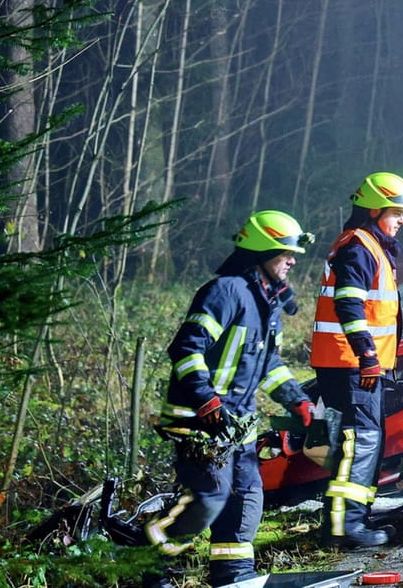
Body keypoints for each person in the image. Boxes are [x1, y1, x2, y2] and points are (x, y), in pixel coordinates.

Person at [146, 211, 314, 587]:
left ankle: (233, 574)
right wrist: (206, 400)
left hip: (236, 424)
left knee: (247, 498)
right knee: (210, 496)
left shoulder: (267, 303)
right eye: (285, 253)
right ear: (261, 253)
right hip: (198, 419)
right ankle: (149, 560)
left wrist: (296, 400)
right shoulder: (225, 291)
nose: (292, 261)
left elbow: (268, 364)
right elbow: (187, 348)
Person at [311, 171, 403, 547]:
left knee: (359, 440)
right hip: (352, 364)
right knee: (362, 441)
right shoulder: (360, 247)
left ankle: (351, 521)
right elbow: (349, 305)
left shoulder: (367, 245)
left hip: (350, 363)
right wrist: (368, 356)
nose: (402, 221)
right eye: (397, 213)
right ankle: (346, 527)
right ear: (374, 210)